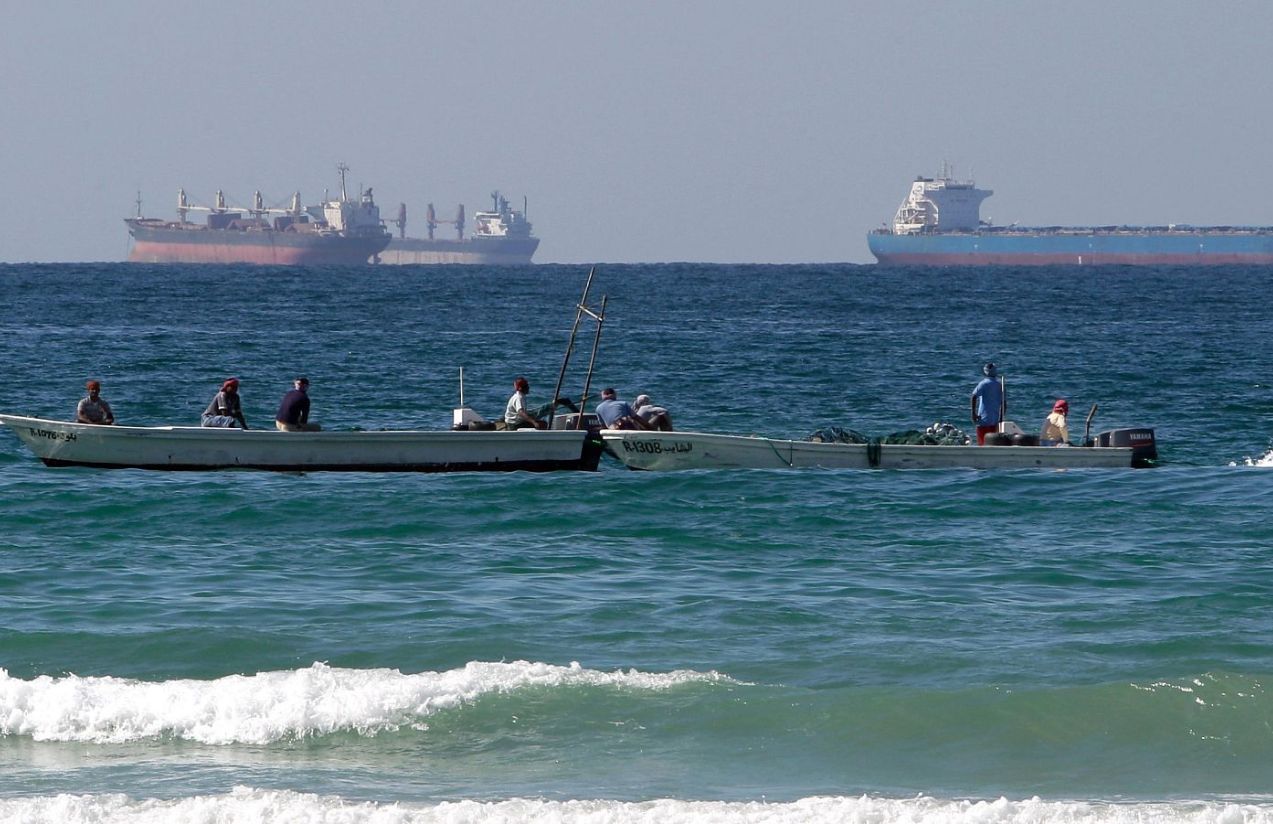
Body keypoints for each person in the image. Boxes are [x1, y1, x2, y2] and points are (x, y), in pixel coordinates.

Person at [970, 362, 1004, 445]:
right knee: (992, 443)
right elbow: (1004, 403)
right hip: (995, 420)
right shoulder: (1000, 384)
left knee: (982, 443)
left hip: (983, 419)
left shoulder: (983, 384)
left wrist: (973, 413)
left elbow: (973, 396)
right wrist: (1001, 418)